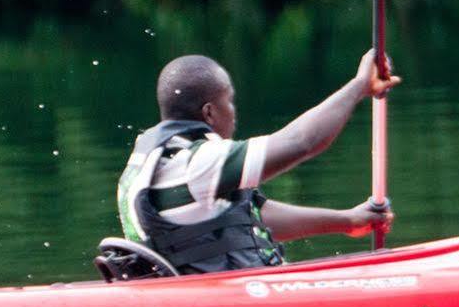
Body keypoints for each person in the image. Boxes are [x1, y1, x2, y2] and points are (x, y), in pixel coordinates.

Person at [115, 50, 397, 274]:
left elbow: (253, 219)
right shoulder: (199, 163)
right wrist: (359, 87)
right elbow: (302, 142)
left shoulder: (159, 161)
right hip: (219, 304)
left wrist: (348, 221)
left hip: (203, 297)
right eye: (230, 101)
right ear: (209, 113)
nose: (234, 112)